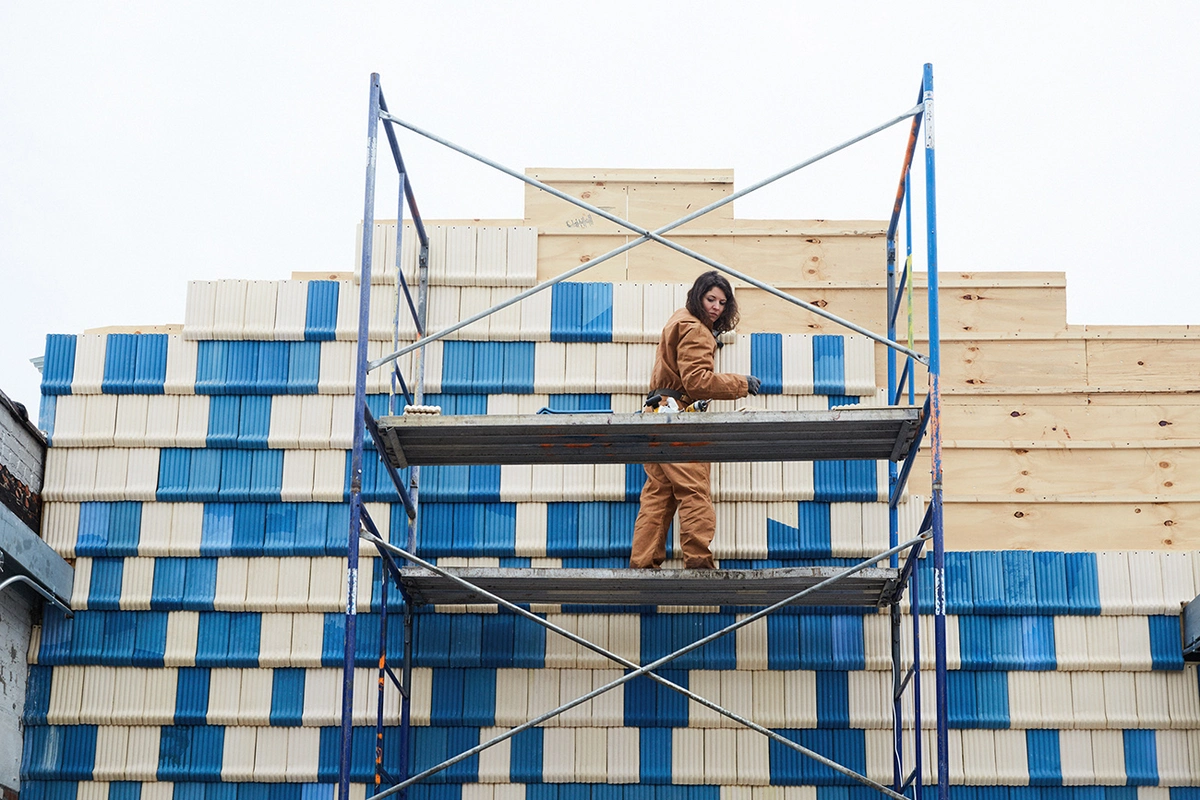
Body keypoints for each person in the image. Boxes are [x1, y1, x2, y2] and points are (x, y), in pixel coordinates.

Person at [629, 270, 761, 569]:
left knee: (658, 495)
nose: (716, 307)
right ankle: (699, 564)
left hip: (656, 413)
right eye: (710, 299)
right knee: (694, 490)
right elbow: (698, 383)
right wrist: (741, 383)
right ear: (698, 297)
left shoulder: (677, 321)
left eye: (722, 302)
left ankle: (642, 565)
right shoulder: (696, 329)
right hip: (677, 417)